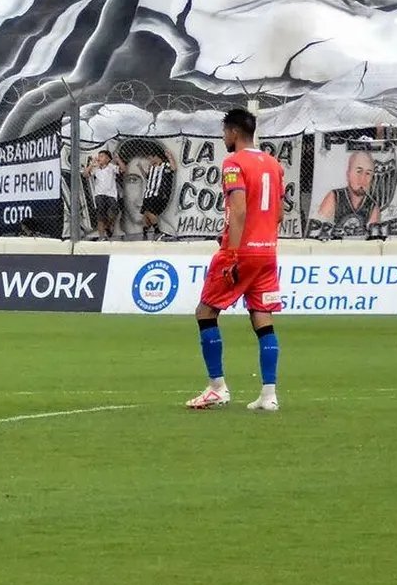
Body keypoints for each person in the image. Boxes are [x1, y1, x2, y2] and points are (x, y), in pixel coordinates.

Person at [187, 108, 283, 412]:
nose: (223, 137)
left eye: (224, 132)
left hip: (241, 252)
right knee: (262, 317)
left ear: (233, 132)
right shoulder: (273, 165)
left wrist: (233, 251)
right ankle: (269, 395)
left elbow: (239, 210)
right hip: (267, 252)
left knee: (205, 311)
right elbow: (279, 214)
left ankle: (217, 388)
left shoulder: (233, 163)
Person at [309, 150, 381, 239]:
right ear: (348, 174)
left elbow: (373, 240)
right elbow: (318, 232)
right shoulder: (334, 197)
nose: (363, 178)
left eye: (368, 173)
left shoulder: (372, 207)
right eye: (359, 171)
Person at [116, 138, 175, 240]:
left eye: (150, 158)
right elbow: (147, 177)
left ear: (156, 157)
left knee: (150, 213)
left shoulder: (164, 166)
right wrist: (141, 169)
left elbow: (173, 168)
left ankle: (157, 231)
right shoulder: (152, 168)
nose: (150, 161)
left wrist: (170, 157)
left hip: (157, 194)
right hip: (148, 194)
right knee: (145, 215)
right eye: (133, 180)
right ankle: (145, 231)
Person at [83, 149, 120, 239]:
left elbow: (123, 170)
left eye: (102, 156)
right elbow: (85, 175)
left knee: (113, 212)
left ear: (108, 159)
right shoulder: (96, 168)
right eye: (99, 156)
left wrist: (118, 160)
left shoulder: (111, 167)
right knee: (100, 215)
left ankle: (108, 226)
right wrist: (92, 164)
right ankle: (102, 237)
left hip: (111, 194)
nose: (99, 158)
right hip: (99, 194)